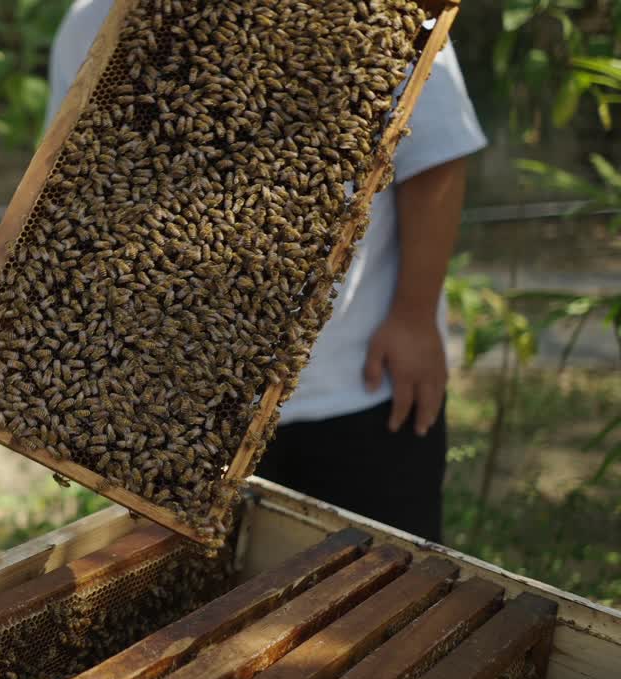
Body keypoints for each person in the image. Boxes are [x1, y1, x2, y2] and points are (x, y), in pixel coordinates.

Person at [45, 0, 487, 542]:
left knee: (379, 581)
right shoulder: (95, 23)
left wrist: (414, 314)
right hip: (180, 402)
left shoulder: (377, 12)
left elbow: (437, 155)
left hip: (358, 378)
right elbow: (73, 191)